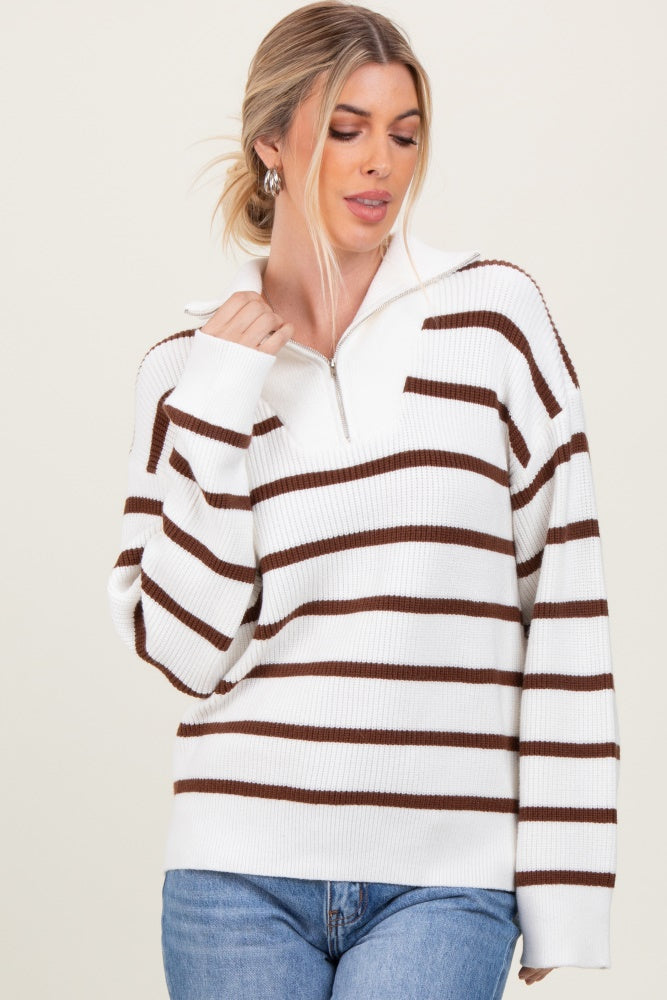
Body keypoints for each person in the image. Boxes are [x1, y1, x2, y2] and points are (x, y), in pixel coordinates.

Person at [107, 2, 620, 997]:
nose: (380, 162)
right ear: (271, 143)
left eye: (404, 134)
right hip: (232, 872)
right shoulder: (186, 370)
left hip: (447, 873)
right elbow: (183, 650)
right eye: (346, 129)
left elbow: (564, 597)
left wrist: (563, 882)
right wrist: (218, 398)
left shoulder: (493, 320)